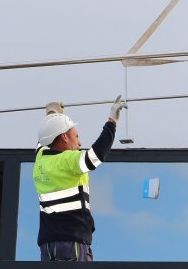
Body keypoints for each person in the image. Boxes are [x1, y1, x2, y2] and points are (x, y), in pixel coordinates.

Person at [33, 96, 127, 262]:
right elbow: (96, 155)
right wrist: (112, 121)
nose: (80, 142)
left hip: (48, 246)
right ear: (64, 137)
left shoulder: (40, 158)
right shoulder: (68, 160)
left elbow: (44, 138)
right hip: (71, 243)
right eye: (76, 136)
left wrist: (53, 114)